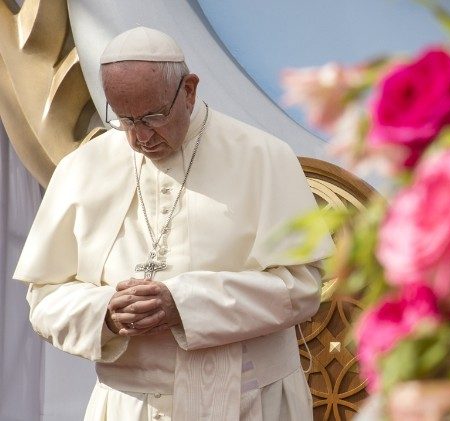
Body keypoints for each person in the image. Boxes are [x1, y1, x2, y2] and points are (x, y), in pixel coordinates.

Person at [13, 26, 332, 420]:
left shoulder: (264, 156)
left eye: (153, 117)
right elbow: (44, 299)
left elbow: (302, 287)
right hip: (129, 405)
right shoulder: (82, 169)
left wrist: (184, 303)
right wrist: (105, 312)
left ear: (189, 91)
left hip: (248, 400)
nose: (141, 137)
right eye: (126, 120)